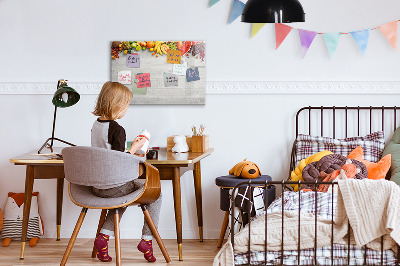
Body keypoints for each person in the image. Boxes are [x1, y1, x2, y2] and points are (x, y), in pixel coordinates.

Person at [91, 81, 161, 263]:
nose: (127, 109)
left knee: (122, 198)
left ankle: (103, 238)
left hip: (97, 186)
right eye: (127, 105)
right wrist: (135, 149)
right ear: (117, 105)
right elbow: (118, 161)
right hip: (114, 186)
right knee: (156, 194)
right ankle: (147, 240)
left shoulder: (96, 125)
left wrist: (130, 149)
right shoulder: (117, 129)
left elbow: (108, 154)